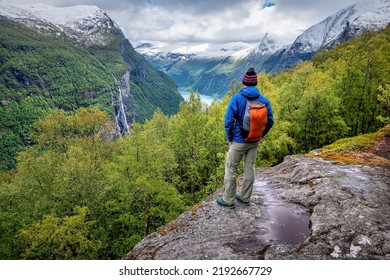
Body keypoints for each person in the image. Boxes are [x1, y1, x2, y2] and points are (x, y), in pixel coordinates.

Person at [217, 67, 274, 209]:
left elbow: (228, 121)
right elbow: (270, 121)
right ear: (255, 83)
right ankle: (245, 197)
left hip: (238, 140)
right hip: (254, 140)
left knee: (231, 168)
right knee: (250, 167)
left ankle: (228, 199)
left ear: (244, 82)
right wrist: (260, 135)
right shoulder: (263, 100)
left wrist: (230, 137)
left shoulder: (237, 98)